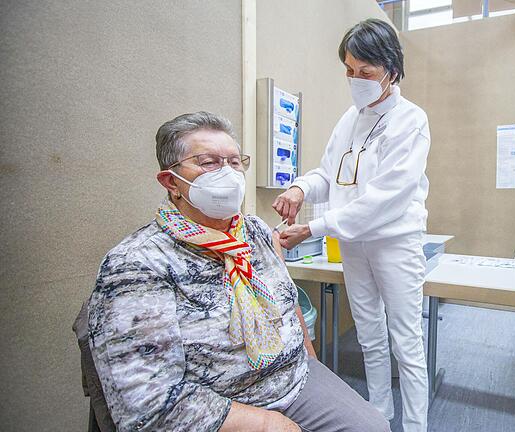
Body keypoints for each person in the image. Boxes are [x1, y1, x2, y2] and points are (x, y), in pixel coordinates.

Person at [87, 111, 390, 432]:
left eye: (234, 162)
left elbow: (289, 307)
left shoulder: (256, 232)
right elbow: (148, 404)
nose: (228, 174)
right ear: (171, 182)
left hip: (291, 379)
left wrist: (312, 367)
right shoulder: (137, 263)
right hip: (220, 401)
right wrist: (269, 424)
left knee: (374, 427)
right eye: (209, 163)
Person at [272, 19, 431, 432]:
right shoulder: (350, 118)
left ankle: (416, 426)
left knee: (406, 341)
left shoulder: (411, 120)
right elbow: (331, 175)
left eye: (366, 72)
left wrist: (314, 228)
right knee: (369, 336)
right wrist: (300, 190)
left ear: (392, 71)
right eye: (349, 70)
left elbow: (385, 198)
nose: (355, 79)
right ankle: (378, 417)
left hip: (394, 242)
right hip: (354, 243)